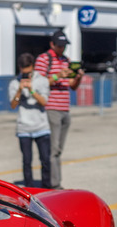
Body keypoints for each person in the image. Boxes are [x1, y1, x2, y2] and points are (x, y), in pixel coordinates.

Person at [34, 30, 83, 189]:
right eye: (60, 45)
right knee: (53, 150)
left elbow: (72, 86)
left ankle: (53, 181)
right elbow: (38, 84)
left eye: (64, 46)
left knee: (58, 150)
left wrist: (78, 77)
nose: (62, 49)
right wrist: (57, 75)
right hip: (51, 108)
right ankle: (54, 184)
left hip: (65, 109)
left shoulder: (66, 60)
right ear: (52, 44)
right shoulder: (43, 59)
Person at [9, 52, 51, 187]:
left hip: (41, 127)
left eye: (29, 71)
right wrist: (19, 91)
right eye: (23, 71)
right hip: (24, 128)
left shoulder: (42, 80)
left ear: (33, 67)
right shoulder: (14, 83)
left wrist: (32, 90)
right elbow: (13, 105)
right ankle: (29, 189)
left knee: (45, 160)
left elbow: (44, 102)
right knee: (27, 161)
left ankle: (46, 187)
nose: (26, 74)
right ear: (19, 68)